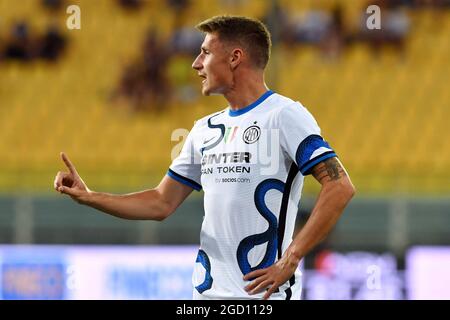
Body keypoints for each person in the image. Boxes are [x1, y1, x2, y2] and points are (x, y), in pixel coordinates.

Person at [54, 15, 355, 300]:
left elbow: (340, 186)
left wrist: (293, 255)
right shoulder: (204, 130)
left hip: (265, 296)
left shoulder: (284, 115)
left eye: (205, 53)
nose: (197, 64)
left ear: (235, 58)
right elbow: (161, 202)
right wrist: (90, 196)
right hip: (206, 296)